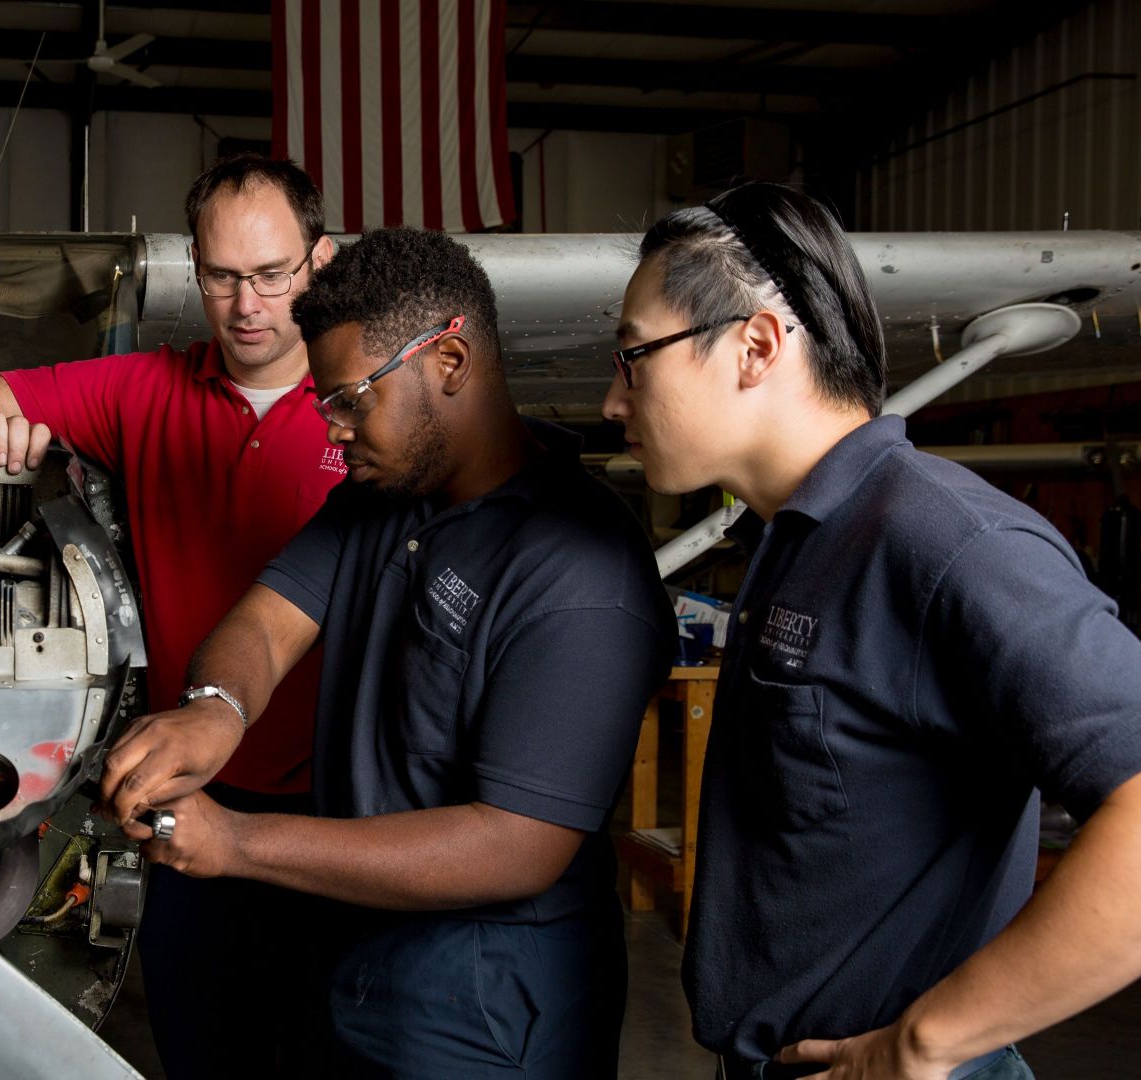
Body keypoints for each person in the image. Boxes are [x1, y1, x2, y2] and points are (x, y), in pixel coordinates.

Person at [98, 226, 677, 1078]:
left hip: (483, 1023)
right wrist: (213, 714)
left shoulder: (583, 569)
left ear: (447, 361)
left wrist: (241, 845)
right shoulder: (387, 497)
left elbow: (516, 845)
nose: (333, 431)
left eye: (350, 399)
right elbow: (265, 622)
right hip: (353, 969)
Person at [601, 182, 1141, 1080]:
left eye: (633, 357)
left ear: (756, 345)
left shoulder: (945, 541)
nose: (615, 402)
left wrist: (923, 1044)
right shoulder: (797, 537)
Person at [0, 155, 341, 1079]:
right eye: (223, 277)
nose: (248, 304)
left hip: (348, 805)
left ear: (319, 262)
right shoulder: (142, 388)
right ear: (195, 270)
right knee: (203, 1051)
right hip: (189, 803)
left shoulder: (366, 409)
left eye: (272, 275)